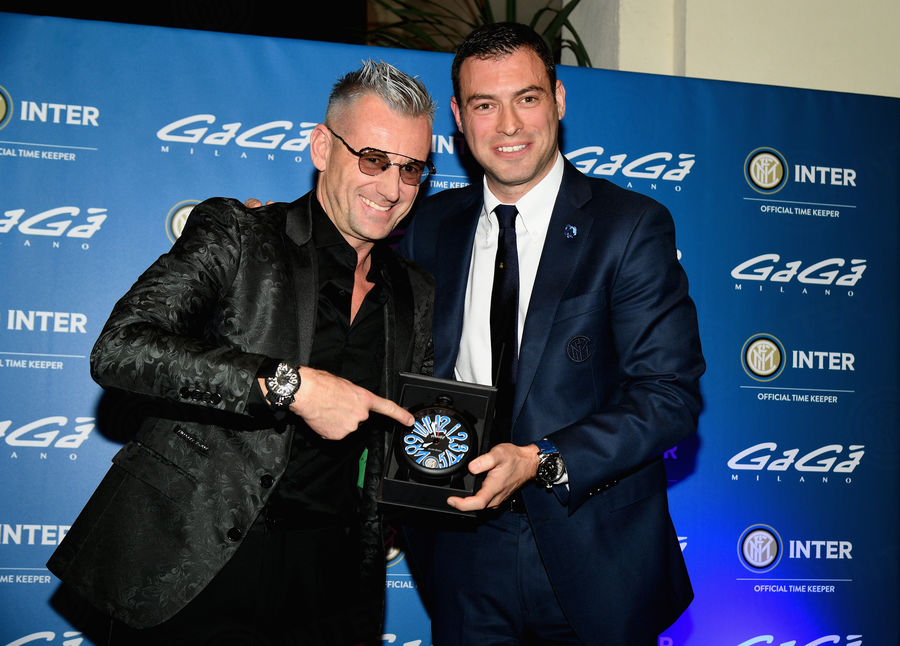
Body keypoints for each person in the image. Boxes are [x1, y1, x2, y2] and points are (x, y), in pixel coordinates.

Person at [47, 60, 436, 646]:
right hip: (196, 565)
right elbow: (121, 349)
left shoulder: (415, 291)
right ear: (322, 147)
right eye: (373, 159)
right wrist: (290, 385)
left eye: (411, 168)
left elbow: (413, 428)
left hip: (332, 587)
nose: (391, 187)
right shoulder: (241, 233)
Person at [398, 22, 705, 645]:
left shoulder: (629, 227)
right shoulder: (426, 226)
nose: (508, 125)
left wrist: (541, 460)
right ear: (458, 117)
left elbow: (668, 396)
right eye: (485, 104)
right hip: (461, 553)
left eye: (527, 98)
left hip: (593, 552)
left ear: (558, 101)